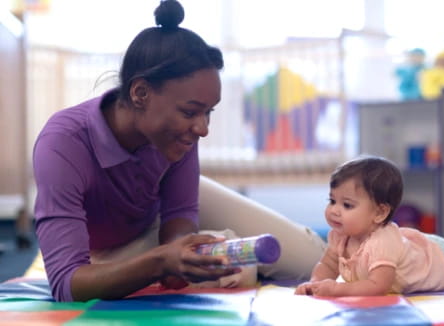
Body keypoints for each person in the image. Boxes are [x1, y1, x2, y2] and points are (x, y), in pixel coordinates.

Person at [33, 0, 325, 302]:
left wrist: (181, 250)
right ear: (140, 93)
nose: (202, 128)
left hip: (153, 215)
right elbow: (67, 284)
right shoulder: (63, 144)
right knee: (238, 269)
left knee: (311, 257)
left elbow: (180, 211)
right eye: (190, 112)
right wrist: (164, 261)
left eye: (208, 113)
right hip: (109, 250)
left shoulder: (175, 135)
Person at [295, 155, 444, 297]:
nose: (334, 210)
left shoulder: (381, 242)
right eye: (332, 201)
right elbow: (329, 265)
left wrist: (338, 289)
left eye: (347, 205)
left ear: (379, 213)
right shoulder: (340, 235)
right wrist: (315, 283)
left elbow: (379, 285)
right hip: (413, 246)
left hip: (438, 262)